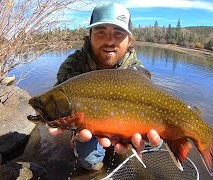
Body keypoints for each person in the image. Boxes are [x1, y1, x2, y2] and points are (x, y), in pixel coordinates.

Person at [49, 3, 162, 171]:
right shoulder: (73, 66)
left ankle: (122, 146)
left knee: (155, 143)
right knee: (90, 163)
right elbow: (61, 107)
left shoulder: (136, 71)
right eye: (101, 32)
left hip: (123, 121)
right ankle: (81, 144)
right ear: (90, 35)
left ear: (129, 39)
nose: (110, 41)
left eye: (118, 33)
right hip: (88, 125)